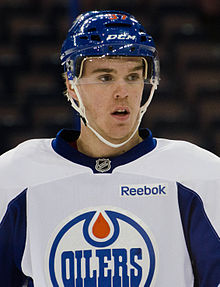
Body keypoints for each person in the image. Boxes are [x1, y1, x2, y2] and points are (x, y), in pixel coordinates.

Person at [0, 10, 219, 287]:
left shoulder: (201, 176)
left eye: (132, 77)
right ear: (71, 84)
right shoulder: (14, 178)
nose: (122, 91)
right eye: (105, 78)